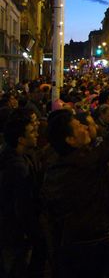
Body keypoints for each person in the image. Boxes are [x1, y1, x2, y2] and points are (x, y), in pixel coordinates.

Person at [42, 83, 109, 278]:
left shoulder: (61, 161)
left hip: (75, 240)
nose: (86, 127)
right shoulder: (82, 163)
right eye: (79, 127)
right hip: (91, 241)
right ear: (70, 139)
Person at [0, 109, 43, 278]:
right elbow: (21, 204)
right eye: (32, 131)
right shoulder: (18, 168)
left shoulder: (18, 157)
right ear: (21, 139)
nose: (36, 133)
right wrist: (31, 231)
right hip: (15, 231)